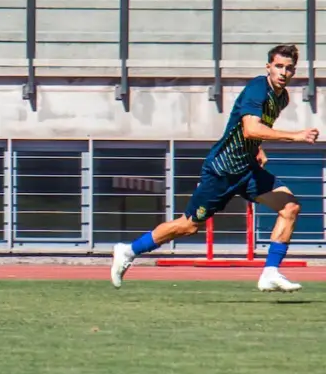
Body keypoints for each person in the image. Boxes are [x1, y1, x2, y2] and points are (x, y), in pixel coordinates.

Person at [111, 44, 319, 292]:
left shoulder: (281, 97)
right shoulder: (257, 88)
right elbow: (250, 128)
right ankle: (128, 250)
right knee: (188, 226)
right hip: (222, 171)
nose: (284, 72)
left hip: (247, 170)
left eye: (289, 68)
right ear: (268, 67)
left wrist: (257, 149)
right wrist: (296, 136)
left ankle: (270, 273)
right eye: (279, 66)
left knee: (290, 206)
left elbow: (253, 132)